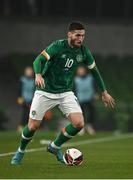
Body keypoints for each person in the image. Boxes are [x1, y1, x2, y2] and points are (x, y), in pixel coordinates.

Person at [11, 22, 115, 165]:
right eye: (78, 35)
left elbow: (94, 71)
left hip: (65, 92)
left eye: (83, 35)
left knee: (79, 123)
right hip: (45, 91)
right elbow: (38, 60)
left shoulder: (84, 51)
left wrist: (104, 92)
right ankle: (21, 151)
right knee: (32, 127)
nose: (81, 38)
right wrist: (38, 75)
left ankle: (54, 146)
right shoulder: (57, 46)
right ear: (69, 34)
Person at [74, 65, 97, 135]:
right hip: (80, 98)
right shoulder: (76, 79)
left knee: (92, 112)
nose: (80, 72)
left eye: (81, 70)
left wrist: (96, 93)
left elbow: (95, 86)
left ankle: (89, 125)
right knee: (81, 113)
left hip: (90, 97)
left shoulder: (90, 78)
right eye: (79, 70)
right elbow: (74, 89)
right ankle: (82, 127)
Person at [17, 67, 35, 132]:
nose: (29, 73)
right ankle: (20, 126)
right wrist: (19, 98)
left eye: (30, 72)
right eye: (28, 71)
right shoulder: (22, 80)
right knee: (25, 113)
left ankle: (27, 127)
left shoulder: (33, 81)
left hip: (31, 100)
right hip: (23, 99)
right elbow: (19, 89)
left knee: (30, 114)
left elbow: (34, 90)